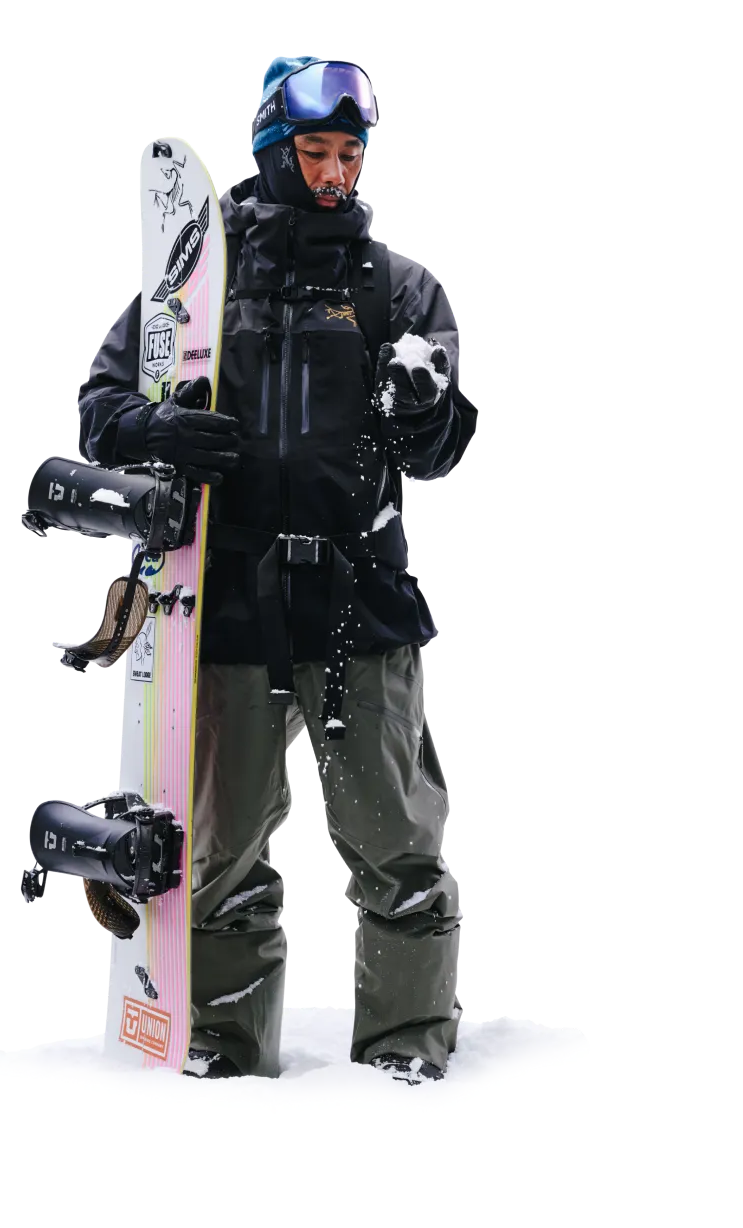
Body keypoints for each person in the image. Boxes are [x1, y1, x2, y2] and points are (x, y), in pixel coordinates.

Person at [76, 55, 481, 1084]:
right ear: (268, 152)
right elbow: (100, 406)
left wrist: (423, 404)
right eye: (315, 152)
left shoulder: (398, 287)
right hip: (226, 611)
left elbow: (439, 453)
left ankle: (405, 1048)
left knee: (397, 847)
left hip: (361, 610)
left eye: (350, 153)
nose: (336, 173)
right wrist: (154, 426)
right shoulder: (193, 282)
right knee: (220, 855)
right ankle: (223, 1041)